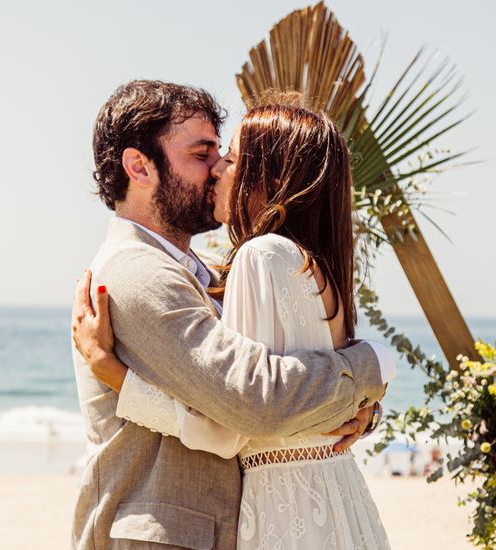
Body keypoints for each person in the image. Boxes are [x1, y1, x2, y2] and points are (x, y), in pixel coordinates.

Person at [69, 81, 394, 550]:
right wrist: (372, 364)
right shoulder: (136, 274)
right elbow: (255, 402)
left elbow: (279, 376)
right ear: (140, 166)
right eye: (201, 154)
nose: (218, 169)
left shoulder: (211, 270)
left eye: (223, 155)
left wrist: (361, 410)